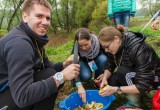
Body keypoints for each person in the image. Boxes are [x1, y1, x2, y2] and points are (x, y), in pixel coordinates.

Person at [0, 0, 80, 110]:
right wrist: (61, 76)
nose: (45, 22)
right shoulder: (19, 44)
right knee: (54, 77)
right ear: (25, 16)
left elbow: (48, 67)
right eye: (39, 16)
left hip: (13, 89)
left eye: (48, 18)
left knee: (50, 73)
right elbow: (22, 96)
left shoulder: (35, 39)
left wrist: (64, 64)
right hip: (5, 96)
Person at [97, 25, 160, 109]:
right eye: (103, 47)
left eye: (106, 47)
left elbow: (144, 85)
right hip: (132, 71)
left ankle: (134, 103)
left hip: (153, 78)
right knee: (110, 81)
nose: (106, 50)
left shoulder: (138, 48)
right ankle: (130, 89)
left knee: (122, 72)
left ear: (117, 39)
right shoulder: (115, 46)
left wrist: (116, 89)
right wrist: (104, 78)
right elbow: (110, 63)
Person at [71, 28, 108, 103]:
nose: (83, 48)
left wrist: (106, 73)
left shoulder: (99, 42)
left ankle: (98, 81)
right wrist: (78, 84)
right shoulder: (76, 48)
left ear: (90, 39)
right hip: (84, 62)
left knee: (103, 59)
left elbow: (110, 58)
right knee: (86, 76)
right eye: (80, 46)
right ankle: (88, 77)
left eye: (86, 44)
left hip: (98, 60)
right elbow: (74, 67)